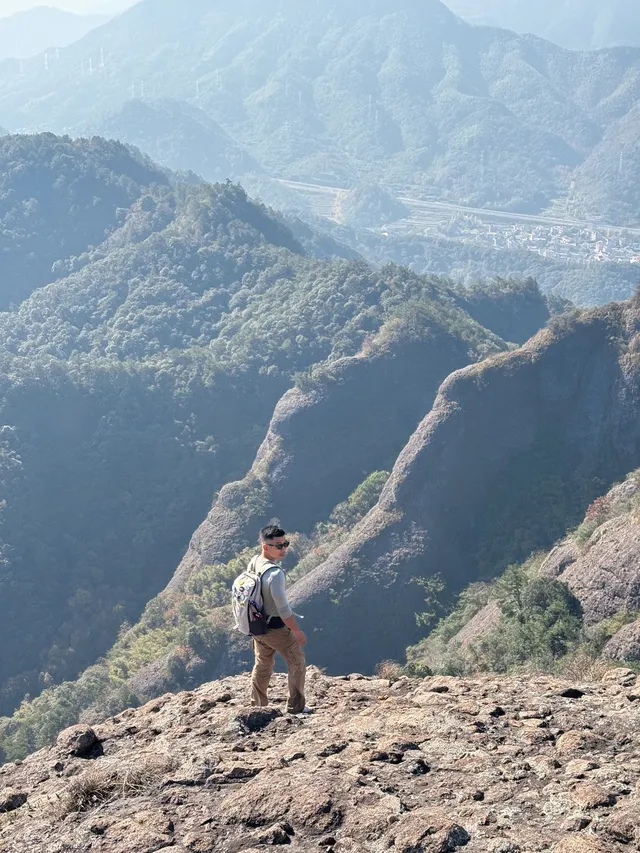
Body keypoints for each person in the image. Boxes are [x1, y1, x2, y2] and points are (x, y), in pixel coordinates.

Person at [250, 524, 310, 715]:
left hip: (257, 626)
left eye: (285, 544)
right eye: (278, 545)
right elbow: (283, 609)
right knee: (297, 664)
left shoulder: (254, 562)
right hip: (276, 629)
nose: (283, 549)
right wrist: (297, 631)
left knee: (263, 663)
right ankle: (296, 707)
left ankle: (258, 705)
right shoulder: (275, 575)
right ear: (265, 546)